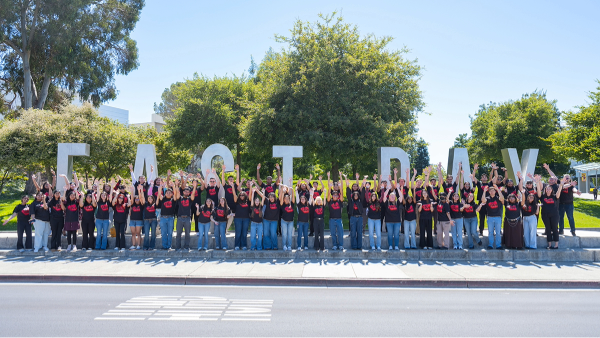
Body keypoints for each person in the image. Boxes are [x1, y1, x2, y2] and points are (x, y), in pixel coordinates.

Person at [538, 176, 565, 250]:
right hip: (545, 215)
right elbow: (538, 192)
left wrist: (561, 185)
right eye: (547, 189)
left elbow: (559, 192)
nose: (548, 190)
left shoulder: (554, 196)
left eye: (549, 189)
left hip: (554, 215)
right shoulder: (542, 196)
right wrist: (537, 182)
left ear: (551, 190)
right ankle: (549, 245)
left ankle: (556, 244)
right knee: (548, 229)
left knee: (555, 229)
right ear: (545, 190)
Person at [477, 182, 504, 250]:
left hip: (498, 217)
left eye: (493, 190)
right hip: (490, 217)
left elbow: (502, 198)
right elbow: (483, 200)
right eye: (490, 191)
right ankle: (490, 245)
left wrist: (498, 189)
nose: (492, 192)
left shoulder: (498, 198)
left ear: (495, 191)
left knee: (498, 232)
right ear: (489, 192)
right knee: (490, 232)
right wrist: (484, 191)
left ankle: (498, 245)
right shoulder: (487, 198)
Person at [174, 178, 196, 251]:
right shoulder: (180, 198)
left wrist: (195, 187)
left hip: (187, 218)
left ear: (189, 193)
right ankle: (178, 247)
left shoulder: (190, 199)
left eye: (188, 192)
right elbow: (177, 193)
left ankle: (186, 246)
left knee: (187, 234)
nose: (186, 193)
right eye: (185, 191)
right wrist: (176, 185)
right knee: (178, 234)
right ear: (183, 192)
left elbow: (193, 194)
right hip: (180, 218)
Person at [382, 184, 404, 251]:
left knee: (396, 235)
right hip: (389, 221)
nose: (392, 197)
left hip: (397, 221)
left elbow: (401, 196)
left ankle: (396, 246)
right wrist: (388, 189)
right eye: (391, 196)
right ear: (389, 197)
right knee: (390, 234)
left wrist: (397, 188)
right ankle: (390, 246)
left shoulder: (397, 203)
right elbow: (384, 196)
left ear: (395, 197)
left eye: (393, 196)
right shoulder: (387, 203)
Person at [327, 171, 345, 250]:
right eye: (333, 195)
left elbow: (342, 193)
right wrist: (330, 187)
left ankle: (340, 245)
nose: (335, 196)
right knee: (333, 233)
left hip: (339, 219)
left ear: (338, 196)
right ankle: (334, 245)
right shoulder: (330, 201)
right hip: (331, 219)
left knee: (340, 233)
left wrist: (340, 186)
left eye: (336, 195)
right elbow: (328, 195)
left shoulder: (339, 201)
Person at [157, 181, 176, 250]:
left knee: (170, 233)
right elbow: (159, 194)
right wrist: (160, 187)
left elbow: (176, 194)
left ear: (171, 194)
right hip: (163, 218)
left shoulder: (173, 200)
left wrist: (173, 186)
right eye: (167, 192)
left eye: (169, 193)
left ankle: (169, 246)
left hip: (170, 218)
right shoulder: (163, 199)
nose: (168, 193)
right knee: (164, 233)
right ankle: (164, 246)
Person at [222, 164, 240, 231]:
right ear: (228, 180)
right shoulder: (225, 186)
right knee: (226, 217)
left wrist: (237, 170)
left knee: (236, 218)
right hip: (227, 204)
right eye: (229, 179)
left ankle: (237, 230)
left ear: (233, 180)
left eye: (232, 179)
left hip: (234, 204)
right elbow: (223, 179)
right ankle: (225, 229)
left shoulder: (235, 185)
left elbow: (238, 179)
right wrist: (223, 170)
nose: (231, 180)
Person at [279, 182, 295, 251]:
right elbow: (281, 199)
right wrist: (283, 192)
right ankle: (284, 245)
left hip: (291, 221)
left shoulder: (292, 204)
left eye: (288, 199)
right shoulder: (282, 204)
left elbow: (293, 198)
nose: (287, 200)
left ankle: (289, 246)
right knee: (284, 234)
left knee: (289, 235)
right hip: (284, 221)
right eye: (285, 199)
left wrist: (293, 191)